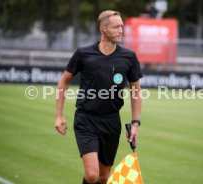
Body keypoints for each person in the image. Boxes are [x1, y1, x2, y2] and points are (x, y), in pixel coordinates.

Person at [55, 10, 142, 184]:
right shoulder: (83, 54)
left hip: (111, 122)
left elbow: (136, 91)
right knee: (92, 175)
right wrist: (59, 115)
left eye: (122, 27)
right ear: (103, 29)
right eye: (116, 27)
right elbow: (63, 81)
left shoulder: (129, 57)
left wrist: (135, 124)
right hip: (86, 119)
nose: (121, 30)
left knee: (103, 178)